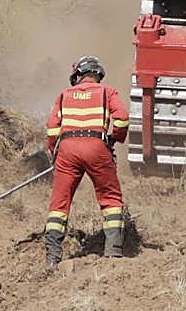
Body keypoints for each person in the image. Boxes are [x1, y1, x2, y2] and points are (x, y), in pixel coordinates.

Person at [43, 55, 129, 269]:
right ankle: (113, 250)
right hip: (96, 147)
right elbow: (123, 118)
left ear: (77, 76)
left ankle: (53, 256)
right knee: (110, 197)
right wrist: (114, 138)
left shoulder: (63, 95)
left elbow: (53, 128)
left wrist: (54, 151)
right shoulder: (107, 92)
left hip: (67, 151)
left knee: (59, 203)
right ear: (97, 75)